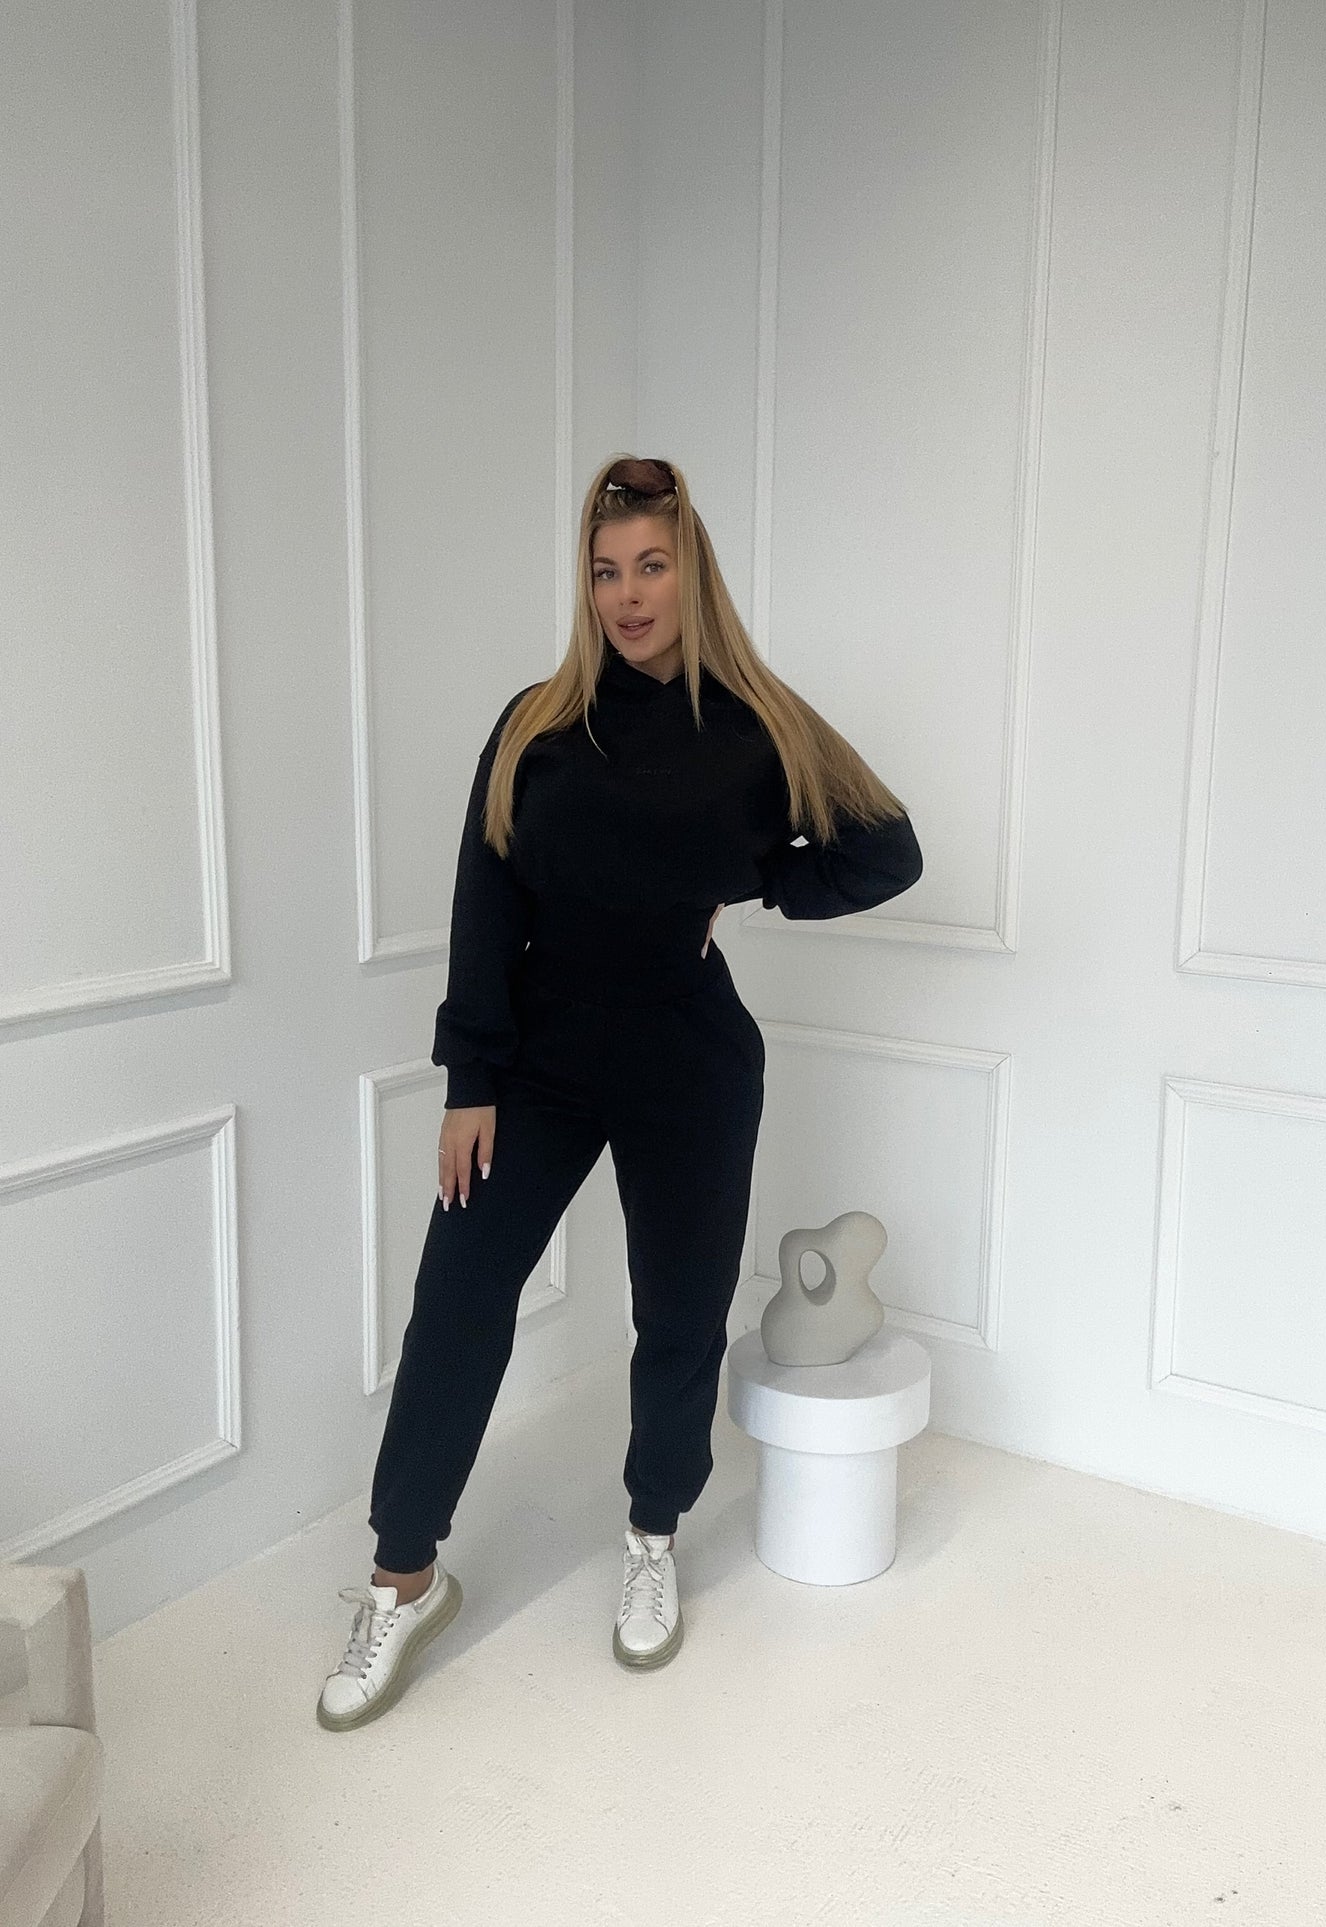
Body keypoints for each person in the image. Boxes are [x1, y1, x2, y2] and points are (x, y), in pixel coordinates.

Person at [317, 454, 924, 1730]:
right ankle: (402, 1576)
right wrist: (470, 1077)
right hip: (535, 1063)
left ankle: (652, 1534)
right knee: (457, 1302)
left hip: (687, 1058)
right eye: (605, 571)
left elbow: (884, 848)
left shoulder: (756, 724)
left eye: (651, 566)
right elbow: (485, 900)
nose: (627, 594)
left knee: (679, 1314)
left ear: (691, 573)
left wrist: (756, 879)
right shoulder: (536, 723)